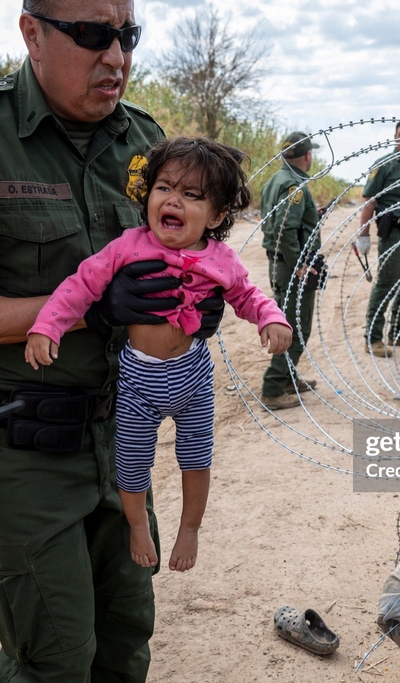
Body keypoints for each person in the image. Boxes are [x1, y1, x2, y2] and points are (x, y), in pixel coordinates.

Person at [0, 2, 224, 680]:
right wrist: (83, 309)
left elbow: (173, 259)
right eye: (94, 36)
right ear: (32, 34)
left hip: (119, 438)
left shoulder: (145, 143)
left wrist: (193, 301)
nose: (117, 58)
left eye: (127, 36)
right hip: (27, 451)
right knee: (55, 655)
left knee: (125, 638)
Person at [25, 136, 292, 572]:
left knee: (196, 457)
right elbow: (80, 285)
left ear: (217, 215)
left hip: (193, 378)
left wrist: (271, 319)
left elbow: (249, 295)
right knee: (130, 464)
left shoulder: (221, 258)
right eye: (164, 187)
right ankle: (136, 525)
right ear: (148, 195)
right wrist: (47, 325)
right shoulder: (128, 246)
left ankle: (190, 527)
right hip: (137, 380)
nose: (174, 200)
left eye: (192, 195)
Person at [259, 131, 323, 411]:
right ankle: (273, 387)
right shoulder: (294, 185)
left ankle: (287, 377)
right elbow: (286, 228)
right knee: (297, 326)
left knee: (290, 319)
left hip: (281, 261)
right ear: (307, 156)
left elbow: (279, 222)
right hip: (292, 264)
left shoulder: (276, 180)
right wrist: (301, 266)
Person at [357, 120, 400, 356]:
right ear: (395, 137)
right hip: (393, 234)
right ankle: (373, 337)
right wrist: (363, 235)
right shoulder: (384, 165)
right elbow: (369, 200)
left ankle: (397, 330)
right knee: (386, 285)